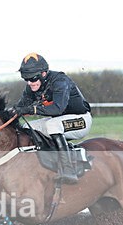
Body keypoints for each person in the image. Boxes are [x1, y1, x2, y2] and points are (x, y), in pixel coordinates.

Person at [13, 53, 92, 184]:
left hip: (81, 120)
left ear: (43, 73)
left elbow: (57, 109)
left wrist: (32, 109)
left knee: (53, 125)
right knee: (26, 127)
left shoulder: (60, 81)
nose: (29, 83)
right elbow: (20, 107)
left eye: (32, 78)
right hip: (58, 121)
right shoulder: (31, 87)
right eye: (25, 79)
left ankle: (68, 169)